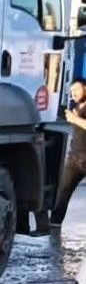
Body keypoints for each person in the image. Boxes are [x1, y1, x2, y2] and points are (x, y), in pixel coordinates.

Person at [52, 78, 86, 227]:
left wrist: (75, 119)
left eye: (77, 90)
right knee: (63, 191)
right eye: (72, 91)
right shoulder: (77, 106)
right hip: (75, 158)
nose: (74, 94)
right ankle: (54, 224)